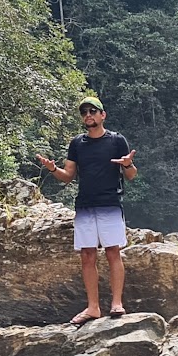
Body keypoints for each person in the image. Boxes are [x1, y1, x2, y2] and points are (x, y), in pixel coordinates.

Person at [35, 95, 138, 323]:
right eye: (85, 112)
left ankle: (116, 303)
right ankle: (93, 308)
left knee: (113, 251)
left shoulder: (116, 141)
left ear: (103, 115)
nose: (88, 115)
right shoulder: (77, 144)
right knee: (87, 255)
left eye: (93, 111)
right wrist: (53, 169)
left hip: (110, 203)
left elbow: (131, 176)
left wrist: (127, 164)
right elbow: (67, 176)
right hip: (85, 205)